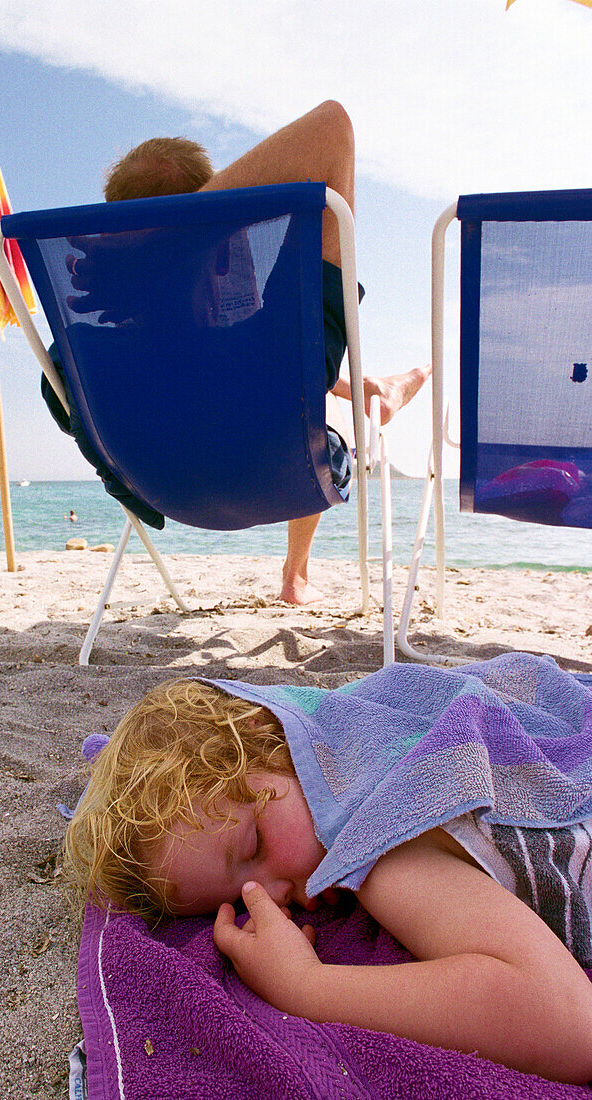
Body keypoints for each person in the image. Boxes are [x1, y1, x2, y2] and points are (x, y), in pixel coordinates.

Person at [63, 661, 592, 1085]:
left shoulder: (384, 837)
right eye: (244, 900)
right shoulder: (315, 771)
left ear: (267, 735)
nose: (274, 896)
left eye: (256, 842)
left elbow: (569, 1023)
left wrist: (307, 985)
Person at [97, 103, 430, 605]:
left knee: (291, 373)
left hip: (165, 487)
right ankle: (296, 575)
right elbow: (332, 126)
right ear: (218, 232)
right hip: (282, 475)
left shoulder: (87, 347)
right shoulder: (271, 322)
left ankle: (374, 388)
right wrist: (190, 236)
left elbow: (84, 428)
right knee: (306, 388)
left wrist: (146, 252)